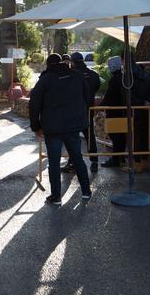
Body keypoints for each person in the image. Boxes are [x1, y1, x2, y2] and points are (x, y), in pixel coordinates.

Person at [29, 53, 93, 205]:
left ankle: (56, 197)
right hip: (73, 126)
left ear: (48, 64)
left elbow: (34, 103)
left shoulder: (45, 79)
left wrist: (35, 126)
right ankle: (86, 191)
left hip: (53, 128)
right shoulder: (76, 76)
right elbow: (87, 98)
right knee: (77, 158)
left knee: (54, 162)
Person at [61, 51, 102, 175]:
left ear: (72, 62)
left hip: (74, 110)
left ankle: (73, 163)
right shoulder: (94, 74)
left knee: (73, 137)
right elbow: (96, 88)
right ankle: (94, 161)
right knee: (90, 135)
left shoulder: (71, 75)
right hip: (88, 109)